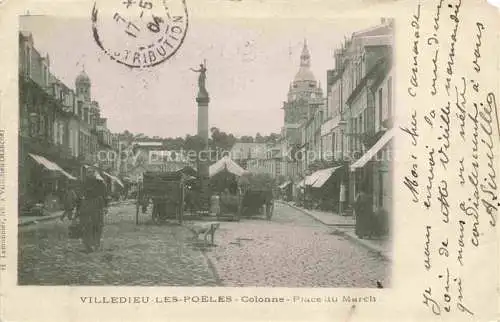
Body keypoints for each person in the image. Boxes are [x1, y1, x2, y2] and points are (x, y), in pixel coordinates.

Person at [78, 169, 108, 253]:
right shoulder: (84, 183)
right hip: (87, 205)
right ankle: (87, 245)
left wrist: (105, 206)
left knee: (98, 225)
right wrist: (79, 208)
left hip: (97, 205)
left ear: (94, 174)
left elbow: (105, 195)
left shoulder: (100, 183)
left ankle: (96, 244)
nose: (90, 174)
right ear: (87, 174)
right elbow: (80, 196)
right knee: (86, 226)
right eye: (88, 172)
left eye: (91, 172)